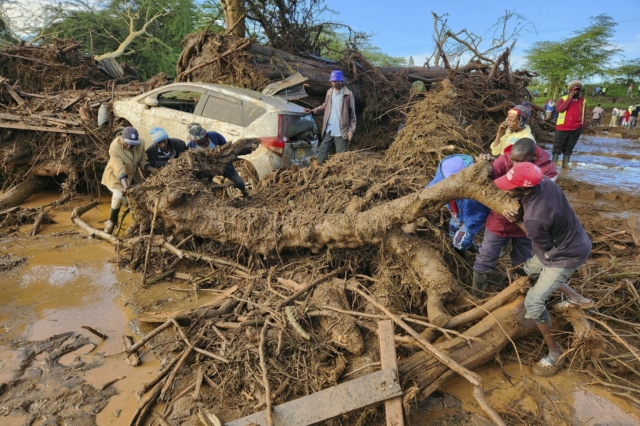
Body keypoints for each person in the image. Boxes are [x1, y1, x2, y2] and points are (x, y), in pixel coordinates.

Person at [495, 162, 593, 377]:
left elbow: (541, 245)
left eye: (510, 187)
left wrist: (517, 219)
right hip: (575, 239)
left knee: (534, 301)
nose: (505, 189)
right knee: (531, 271)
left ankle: (554, 353)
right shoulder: (546, 183)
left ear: (524, 189)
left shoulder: (535, 218)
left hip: (565, 254)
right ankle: (579, 299)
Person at [472, 138, 557, 297]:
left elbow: (544, 200)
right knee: (485, 257)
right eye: (513, 160)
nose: (514, 164)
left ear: (532, 157)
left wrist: (519, 211)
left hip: (526, 224)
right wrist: (485, 166)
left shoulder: (546, 169)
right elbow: (491, 179)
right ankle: (477, 295)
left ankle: (519, 294)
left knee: (523, 261)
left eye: (519, 162)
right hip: (499, 220)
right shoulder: (505, 159)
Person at [427, 155, 490, 257]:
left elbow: (478, 214)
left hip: (471, 218)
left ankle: (470, 251)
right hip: (456, 213)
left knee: (458, 242)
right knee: (453, 232)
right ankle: (470, 247)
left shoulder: (472, 190)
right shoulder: (443, 173)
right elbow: (431, 187)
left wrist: (469, 225)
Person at [101, 126, 152, 234]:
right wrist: (125, 187)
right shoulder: (115, 147)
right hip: (115, 176)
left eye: (133, 144)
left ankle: (137, 223)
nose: (130, 146)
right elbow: (120, 169)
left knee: (141, 195)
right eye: (127, 143)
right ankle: (112, 221)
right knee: (119, 196)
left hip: (133, 175)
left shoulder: (141, 143)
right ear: (122, 138)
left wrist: (156, 171)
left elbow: (142, 162)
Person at [303, 70, 356, 165]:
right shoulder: (329, 92)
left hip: (341, 130)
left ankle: (341, 176)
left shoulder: (348, 94)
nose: (333, 83)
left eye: (336, 81)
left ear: (341, 81)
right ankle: (317, 172)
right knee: (322, 152)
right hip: (329, 128)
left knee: (341, 157)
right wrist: (313, 110)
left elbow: (352, 116)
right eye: (332, 81)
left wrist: (350, 131)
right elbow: (325, 106)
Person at [186, 123, 249, 197]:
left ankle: (244, 193)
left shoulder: (214, 136)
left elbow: (227, 150)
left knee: (238, 181)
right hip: (206, 169)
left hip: (223, 164)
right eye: (194, 139)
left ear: (203, 135)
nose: (195, 141)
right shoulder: (191, 146)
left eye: (198, 139)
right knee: (204, 187)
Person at [553, 80, 586, 169]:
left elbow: (584, 113)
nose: (576, 91)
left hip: (576, 128)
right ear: (570, 90)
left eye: (578, 90)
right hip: (562, 127)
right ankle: (553, 165)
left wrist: (582, 126)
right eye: (574, 89)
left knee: (569, 147)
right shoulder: (563, 99)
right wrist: (569, 99)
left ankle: (565, 164)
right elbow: (559, 109)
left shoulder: (583, 101)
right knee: (557, 147)